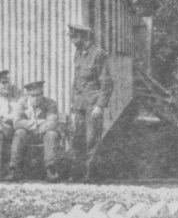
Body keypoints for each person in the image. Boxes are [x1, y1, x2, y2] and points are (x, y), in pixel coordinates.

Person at [68, 24, 113, 164]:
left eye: (73, 37)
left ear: (83, 37)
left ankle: (90, 172)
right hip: (79, 104)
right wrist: (73, 103)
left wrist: (100, 105)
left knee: (92, 138)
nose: (71, 40)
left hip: (92, 104)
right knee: (78, 138)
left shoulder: (98, 54)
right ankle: (78, 171)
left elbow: (107, 83)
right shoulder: (78, 53)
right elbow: (76, 80)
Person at [9, 80, 64, 182]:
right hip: (28, 135)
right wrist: (38, 123)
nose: (36, 98)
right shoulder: (21, 103)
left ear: (42, 94)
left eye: (39, 95)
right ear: (28, 95)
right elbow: (17, 123)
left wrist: (31, 125)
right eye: (33, 95)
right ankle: (14, 168)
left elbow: (52, 124)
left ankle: (50, 169)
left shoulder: (50, 104)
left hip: (44, 135)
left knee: (52, 134)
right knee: (19, 132)